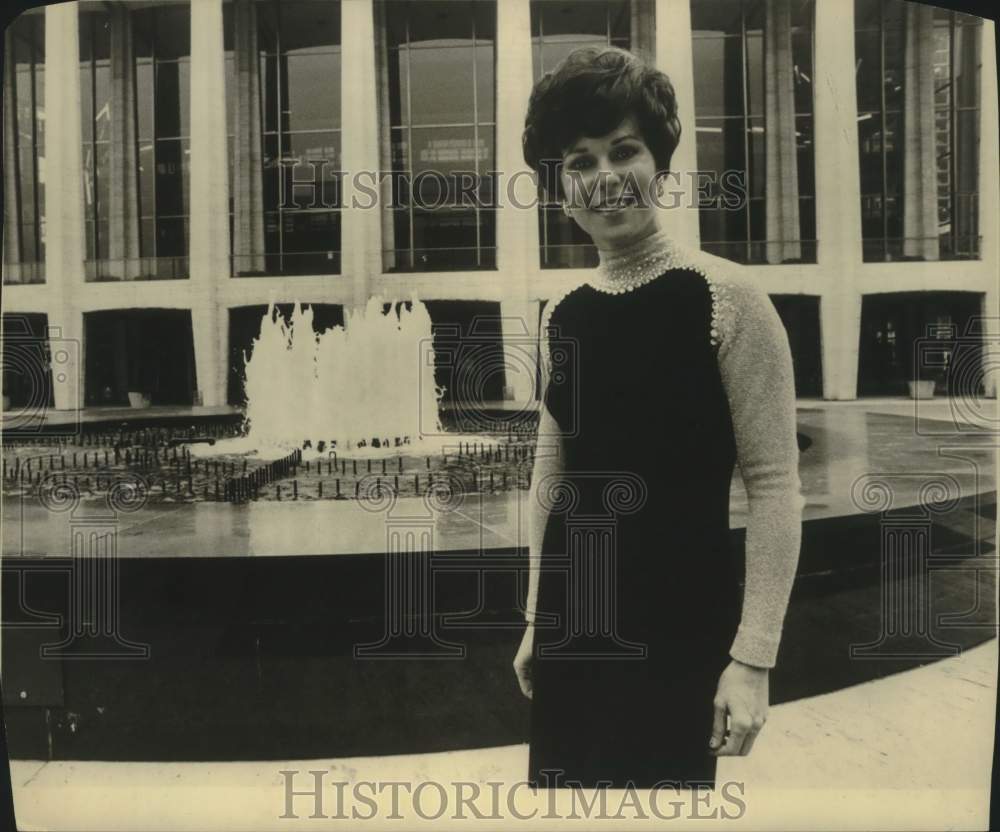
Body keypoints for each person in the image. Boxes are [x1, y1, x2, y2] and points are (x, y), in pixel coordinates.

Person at [513, 45, 805, 790]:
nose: (604, 178)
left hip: (683, 634)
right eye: (578, 162)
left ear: (661, 165)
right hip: (573, 633)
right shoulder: (563, 314)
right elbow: (553, 475)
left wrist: (754, 659)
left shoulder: (727, 297)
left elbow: (775, 485)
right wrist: (535, 615)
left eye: (624, 150)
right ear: (558, 187)